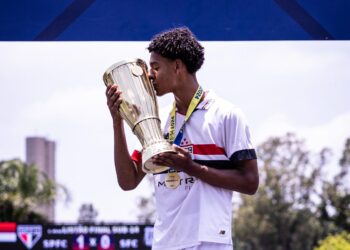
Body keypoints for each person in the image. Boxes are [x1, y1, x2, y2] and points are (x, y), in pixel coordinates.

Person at [106, 27, 259, 250]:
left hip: (209, 243)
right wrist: (117, 120)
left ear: (177, 66)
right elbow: (128, 181)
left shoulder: (225, 114)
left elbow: (250, 182)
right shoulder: (157, 120)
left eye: (155, 67)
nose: (149, 75)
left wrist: (191, 167)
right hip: (165, 243)